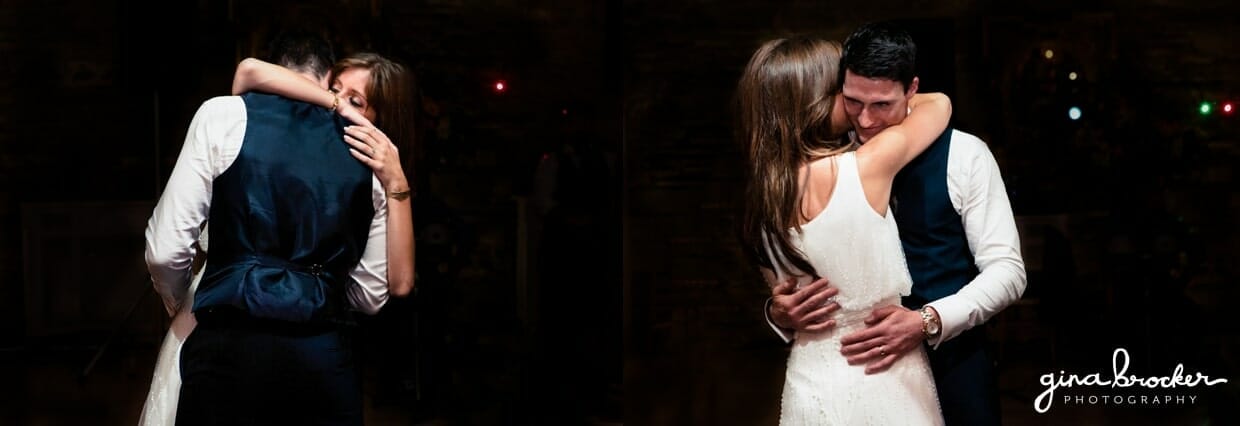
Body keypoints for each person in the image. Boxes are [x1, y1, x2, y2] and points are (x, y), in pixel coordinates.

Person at [143, 28, 415, 424]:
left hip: (231, 338)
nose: (337, 108)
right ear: (324, 81)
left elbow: (392, 287)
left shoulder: (379, 169)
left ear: (380, 118)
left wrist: (179, 299)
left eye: (356, 102)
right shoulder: (362, 169)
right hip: (320, 351)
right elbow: (367, 296)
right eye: (335, 92)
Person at [765, 21, 1027, 425]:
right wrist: (778, 311)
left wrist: (930, 320)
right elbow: (792, 267)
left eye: (882, 105)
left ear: (912, 90)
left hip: (952, 362)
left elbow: (1008, 271)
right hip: (861, 378)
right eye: (853, 102)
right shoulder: (824, 163)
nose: (866, 121)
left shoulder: (965, 155)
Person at [738, 35, 952, 424]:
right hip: (883, 379)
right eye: (844, 91)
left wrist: (777, 311)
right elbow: (939, 104)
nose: (855, 103)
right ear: (815, 101)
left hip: (809, 381)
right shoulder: (864, 168)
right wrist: (898, 94)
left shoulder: (761, 199)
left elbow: (783, 292)